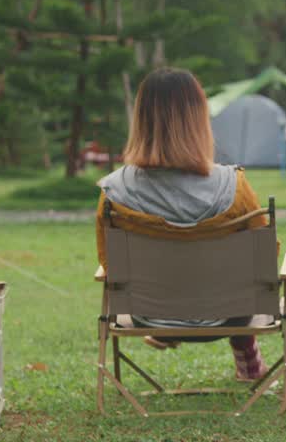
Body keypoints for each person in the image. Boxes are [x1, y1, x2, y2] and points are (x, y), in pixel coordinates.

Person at [94, 67, 270, 382]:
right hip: (231, 314)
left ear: (142, 120)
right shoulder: (235, 187)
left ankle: (172, 313)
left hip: (149, 315)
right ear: (199, 119)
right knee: (237, 278)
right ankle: (247, 354)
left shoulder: (113, 194)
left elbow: (109, 265)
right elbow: (263, 260)